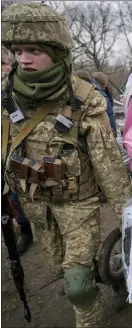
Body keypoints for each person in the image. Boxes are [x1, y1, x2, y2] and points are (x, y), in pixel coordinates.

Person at [1, 3, 132, 326]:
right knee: (64, 271)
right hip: (38, 211)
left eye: (33, 49)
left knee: (76, 285)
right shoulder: (7, 97)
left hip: (79, 208)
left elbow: (111, 171)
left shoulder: (85, 102)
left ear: (56, 51)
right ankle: (110, 277)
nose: (23, 59)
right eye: (17, 50)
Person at [2, 45, 34, 254]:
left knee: (19, 194)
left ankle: (27, 229)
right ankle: (23, 228)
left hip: (21, 149)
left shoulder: (20, 87)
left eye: (3, 64)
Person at [92, 71, 118, 137]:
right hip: (102, 132)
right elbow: (110, 115)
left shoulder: (85, 88)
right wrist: (114, 134)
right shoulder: (104, 95)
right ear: (104, 83)